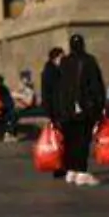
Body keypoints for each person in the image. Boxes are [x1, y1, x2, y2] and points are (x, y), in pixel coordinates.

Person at [50, 34, 106, 186]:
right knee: (82, 139)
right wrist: (99, 106)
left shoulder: (64, 62)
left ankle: (71, 171)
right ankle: (82, 172)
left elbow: (58, 87)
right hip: (84, 108)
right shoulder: (88, 60)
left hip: (66, 109)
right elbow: (96, 85)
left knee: (70, 140)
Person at [40, 47, 66, 178]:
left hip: (58, 110)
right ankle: (59, 166)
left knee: (61, 140)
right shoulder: (51, 72)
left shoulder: (52, 70)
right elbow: (48, 94)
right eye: (62, 56)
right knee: (60, 140)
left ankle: (61, 166)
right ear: (56, 57)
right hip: (57, 111)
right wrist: (49, 114)